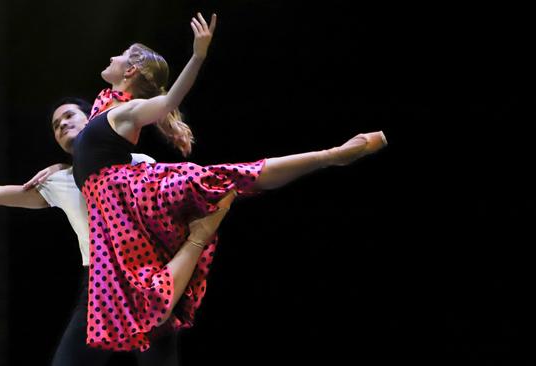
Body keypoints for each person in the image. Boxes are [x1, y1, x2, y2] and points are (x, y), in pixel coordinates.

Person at [71, 12, 388, 352]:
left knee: (234, 175)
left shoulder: (124, 112)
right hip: (112, 208)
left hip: (132, 194)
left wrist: (198, 55)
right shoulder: (104, 109)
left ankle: (331, 155)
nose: (111, 58)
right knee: (136, 300)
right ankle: (195, 246)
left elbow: (167, 103)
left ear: (130, 70)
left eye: (118, 55)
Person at [0, 97, 235, 366]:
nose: (62, 125)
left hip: (147, 278)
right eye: (56, 126)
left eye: (69, 117)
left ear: (93, 118)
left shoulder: (140, 163)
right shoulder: (60, 180)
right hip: (99, 284)